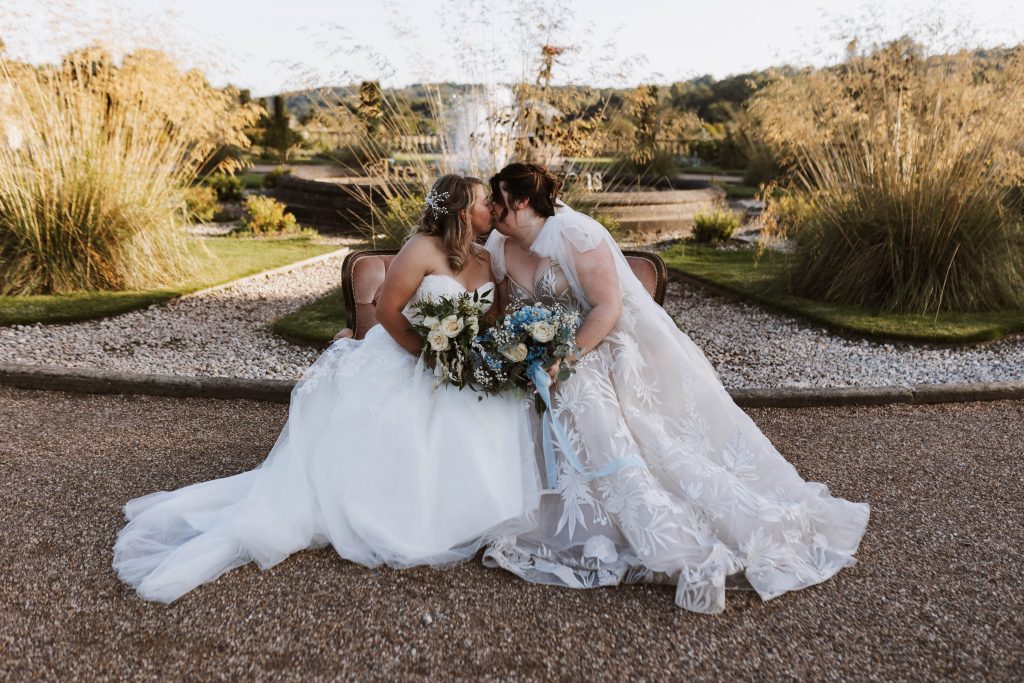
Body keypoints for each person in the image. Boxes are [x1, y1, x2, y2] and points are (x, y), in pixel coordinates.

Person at [113, 175, 541, 604]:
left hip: (461, 364)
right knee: (406, 421)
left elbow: (494, 321)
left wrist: (478, 358)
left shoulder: (488, 260)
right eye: (488, 202)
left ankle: (475, 512)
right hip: (407, 355)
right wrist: (425, 354)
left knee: (495, 410)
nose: (495, 209)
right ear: (465, 211)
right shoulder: (422, 248)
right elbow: (390, 311)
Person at [480, 162, 870, 614]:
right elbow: (506, 312)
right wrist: (516, 350)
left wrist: (565, 357)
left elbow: (607, 307)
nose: (491, 207)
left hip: (597, 343)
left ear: (522, 200)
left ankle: (650, 521)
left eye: (497, 197)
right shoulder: (499, 245)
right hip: (541, 352)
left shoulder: (575, 235)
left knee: (583, 393)